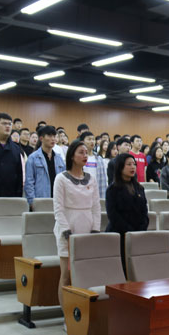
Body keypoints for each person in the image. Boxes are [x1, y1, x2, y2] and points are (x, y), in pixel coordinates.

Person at [53, 140, 101, 308]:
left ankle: (81, 312)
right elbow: (58, 208)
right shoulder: (61, 178)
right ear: (72, 156)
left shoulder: (91, 179)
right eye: (81, 152)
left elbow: (96, 207)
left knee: (85, 274)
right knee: (66, 276)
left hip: (87, 231)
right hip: (68, 231)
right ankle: (66, 314)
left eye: (86, 152)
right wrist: (66, 231)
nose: (85, 155)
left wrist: (95, 229)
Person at [106, 153, 149, 273]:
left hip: (137, 235)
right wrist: (129, 231)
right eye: (129, 164)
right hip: (119, 236)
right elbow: (113, 215)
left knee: (137, 270)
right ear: (120, 167)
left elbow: (144, 212)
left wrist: (141, 229)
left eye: (134, 164)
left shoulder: (139, 188)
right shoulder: (112, 189)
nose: (133, 167)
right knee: (121, 270)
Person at [24, 126, 65, 208]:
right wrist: (31, 201)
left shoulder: (59, 158)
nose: (53, 139)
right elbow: (29, 182)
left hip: (58, 200)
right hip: (40, 200)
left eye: (54, 136)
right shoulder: (33, 158)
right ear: (41, 138)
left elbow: (64, 180)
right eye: (49, 136)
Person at [80, 131, 107, 198]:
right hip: (81, 192)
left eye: (93, 139)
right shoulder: (78, 158)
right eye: (89, 139)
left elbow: (103, 180)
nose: (92, 141)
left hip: (96, 194)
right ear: (82, 142)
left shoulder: (99, 159)